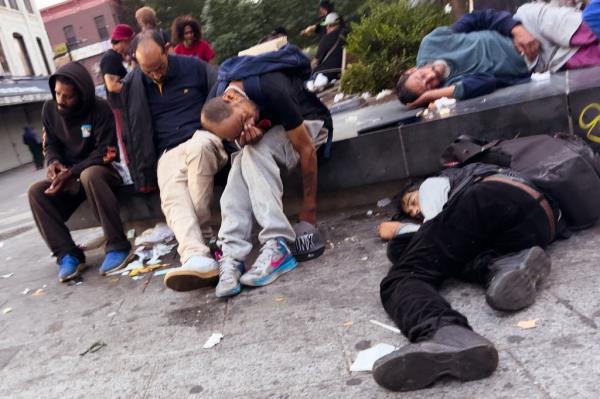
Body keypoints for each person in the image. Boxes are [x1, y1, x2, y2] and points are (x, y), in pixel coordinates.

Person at [372, 164, 558, 391]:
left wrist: (399, 229)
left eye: (412, 201)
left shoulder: (433, 183)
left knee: (401, 278)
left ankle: (442, 331)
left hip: (487, 200)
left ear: (419, 188)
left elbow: (434, 221)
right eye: (411, 212)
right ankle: (501, 265)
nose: (414, 211)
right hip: (540, 223)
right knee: (413, 250)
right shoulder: (484, 172)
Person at [198, 48, 333, 298]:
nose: (247, 127)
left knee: (252, 153)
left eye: (244, 121)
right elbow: (241, 141)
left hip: (310, 125)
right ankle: (232, 255)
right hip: (273, 138)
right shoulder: (219, 96)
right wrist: (245, 138)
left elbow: (306, 150)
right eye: (238, 131)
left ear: (232, 99)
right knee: (241, 159)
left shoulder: (271, 87)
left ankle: (278, 244)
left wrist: (309, 209)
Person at [120, 31, 227, 292]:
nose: (155, 74)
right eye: (148, 70)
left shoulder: (195, 68)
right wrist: (140, 169)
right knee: (172, 195)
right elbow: (131, 131)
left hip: (202, 138)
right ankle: (195, 256)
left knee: (198, 149)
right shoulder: (133, 83)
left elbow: (223, 96)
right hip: (167, 151)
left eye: (159, 67)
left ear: (167, 49)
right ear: (135, 62)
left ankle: (201, 240)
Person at [28, 62, 131, 282]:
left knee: (90, 175)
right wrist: (54, 162)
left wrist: (73, 171)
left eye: (68, 97)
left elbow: (107, 152)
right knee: (36, 192)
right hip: (70, 178)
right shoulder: (49, 109)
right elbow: (51, 144)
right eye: (57, 94)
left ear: (82, 95)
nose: (60, 101)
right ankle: (68, 254)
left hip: (103, 171)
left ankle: (117, 245)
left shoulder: (100, 108)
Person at [397, 3, 600, 108]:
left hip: (528, 25)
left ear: (412, 69)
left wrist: (515, 29)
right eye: (429, 86)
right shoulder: (451, 88)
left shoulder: (433, 44)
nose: (431, 78)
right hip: (541, 60)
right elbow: (486, 81)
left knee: (590, 28)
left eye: (421, 77)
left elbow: (480, 18)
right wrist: (433, 95)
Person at [100, 24, 134, 164]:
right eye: (129, 42)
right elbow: (112, 85)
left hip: (122, 105)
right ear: (123, 41)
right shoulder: (110, 58)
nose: (130, 45)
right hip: (120, 106)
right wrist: (134, 87)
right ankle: (132, 166)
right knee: (127, 138)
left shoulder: (117, 57)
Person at [312, 12, 345, 80]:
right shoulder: (349, 34)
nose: (327, 28)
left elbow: (315, 62)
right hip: (344, 70)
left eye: (330, 25)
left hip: (329, 74)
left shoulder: (326, 38)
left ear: (337, 24)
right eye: (326, 25)